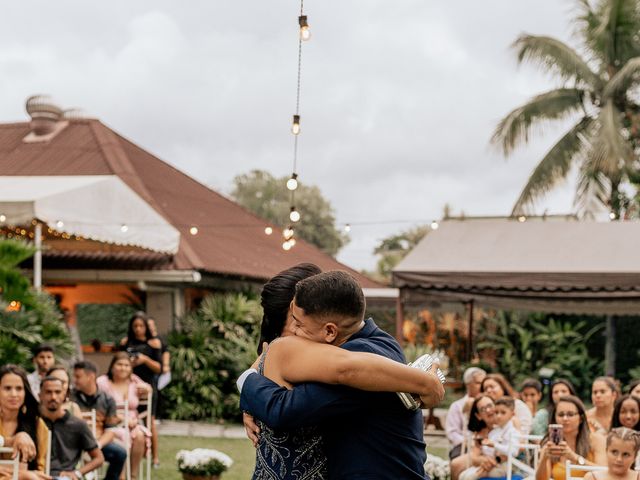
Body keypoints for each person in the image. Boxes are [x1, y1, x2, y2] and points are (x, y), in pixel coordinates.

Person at [239, 270, 445, 479]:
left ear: (330, 331)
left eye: (299, 324)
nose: (294, 332)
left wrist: (246, 380)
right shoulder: (379, 342)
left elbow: (284, 410)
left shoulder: (361, 360)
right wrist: (251, 399)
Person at [97, 352, 151, 480]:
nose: (123, 368)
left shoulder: (134, 381)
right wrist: (121, 418)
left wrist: (148, 389)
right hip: (111, 422)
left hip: (133, 422)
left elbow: (149, 389)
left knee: (139, 435)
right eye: (119, 364)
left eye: (127, 365)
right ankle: (121, 476)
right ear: (112, 366)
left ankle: (132, 476)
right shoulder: (103, 382)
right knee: (122, 437)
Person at [40, 376, 103, 479]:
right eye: (48, 392)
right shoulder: (33, 422)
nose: (53, 397)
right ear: (40, 395)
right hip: (37, 475)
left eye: (58, 392)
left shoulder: (78, 425)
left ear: (65, 395)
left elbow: (98, 458)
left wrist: (77, 473)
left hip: (64, 476)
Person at [119, 313, 161, 468]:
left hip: (147, 388)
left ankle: (155, 457)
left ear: (146, 327)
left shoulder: (154, 343)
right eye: (135, 326)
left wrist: (144, 360)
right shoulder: (126, 343)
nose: (138, 329)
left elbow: (159, 368)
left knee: (150, 422)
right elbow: (119, 362)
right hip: (129, 388)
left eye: (141, 326)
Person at [72, 361, 127, 480]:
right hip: (74, 443)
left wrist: (97, 445)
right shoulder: (71, 397)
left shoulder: (107, 399)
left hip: (97, 442)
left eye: (78, 377)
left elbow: (111, 430)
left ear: (90, 376)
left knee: (120, 453)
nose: (74, 380)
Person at [535, 395, 606, 480]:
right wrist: (544, 458)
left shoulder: (596, 439)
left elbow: (604, 473)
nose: (565, 418)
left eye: (570, 414)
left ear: (581, 418)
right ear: (555, 418)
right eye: (561, 415)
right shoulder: (550, 443)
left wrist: (575, 458)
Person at [0, 365, 49, 479]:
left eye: (19, 388)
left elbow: (40, 468)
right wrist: (20, 474)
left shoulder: (37, 424)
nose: (14, 394)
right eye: (7, 388)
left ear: (25, 392)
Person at [459, 397, 519, 480]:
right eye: (497, 412)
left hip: (505, 466)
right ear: (478, 415)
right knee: (463, 475)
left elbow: (514, 450)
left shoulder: (511, 429)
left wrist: (495, 448)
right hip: (491, 464)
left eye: (502, 413)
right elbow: (478, 455)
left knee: (469, 477)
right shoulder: (494, 431)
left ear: (511, 414)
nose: (498, 416)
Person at [450, 395, 496, 480]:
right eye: (483, 409)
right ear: (479, 416)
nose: (488, 410)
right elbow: (474, 454)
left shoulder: (504, 425)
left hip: (500, 461)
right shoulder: (481, 431)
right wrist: (482, 460)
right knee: (455, 464)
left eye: (490, 405)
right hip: (485, 459)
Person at [446, 367, 487, 459]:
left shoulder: (491, 405)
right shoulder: (457, 406)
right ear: (468, 384)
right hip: (463, 446)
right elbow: (452, 433)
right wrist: (470, 443)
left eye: (484, 383)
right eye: (478, 383)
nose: (482, 387)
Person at [145, 316, 168, 468]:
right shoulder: (133, 342)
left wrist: (166, 365)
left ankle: (155, 458)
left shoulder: (157, 341)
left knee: (150, 421)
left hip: (151, 383)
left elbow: (165, 354)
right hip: (135, 386)